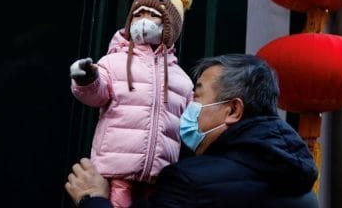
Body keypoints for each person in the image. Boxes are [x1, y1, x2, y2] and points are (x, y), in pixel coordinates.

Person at [66, 54, 319, 207]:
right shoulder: (304, 191)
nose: (188, 107)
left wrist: (93, 198)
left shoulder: (190, 183)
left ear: (233, 111)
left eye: (197, 96)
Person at [69, 0, 195, 208]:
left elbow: (193, 121)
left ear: (170, 27)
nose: (144, 21)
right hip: (116, 170)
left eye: (153, 15)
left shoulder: (182, 79)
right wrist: (86, 78)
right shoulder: (113, 61)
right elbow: (96, 94)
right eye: (138, 15)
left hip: (160, 174)